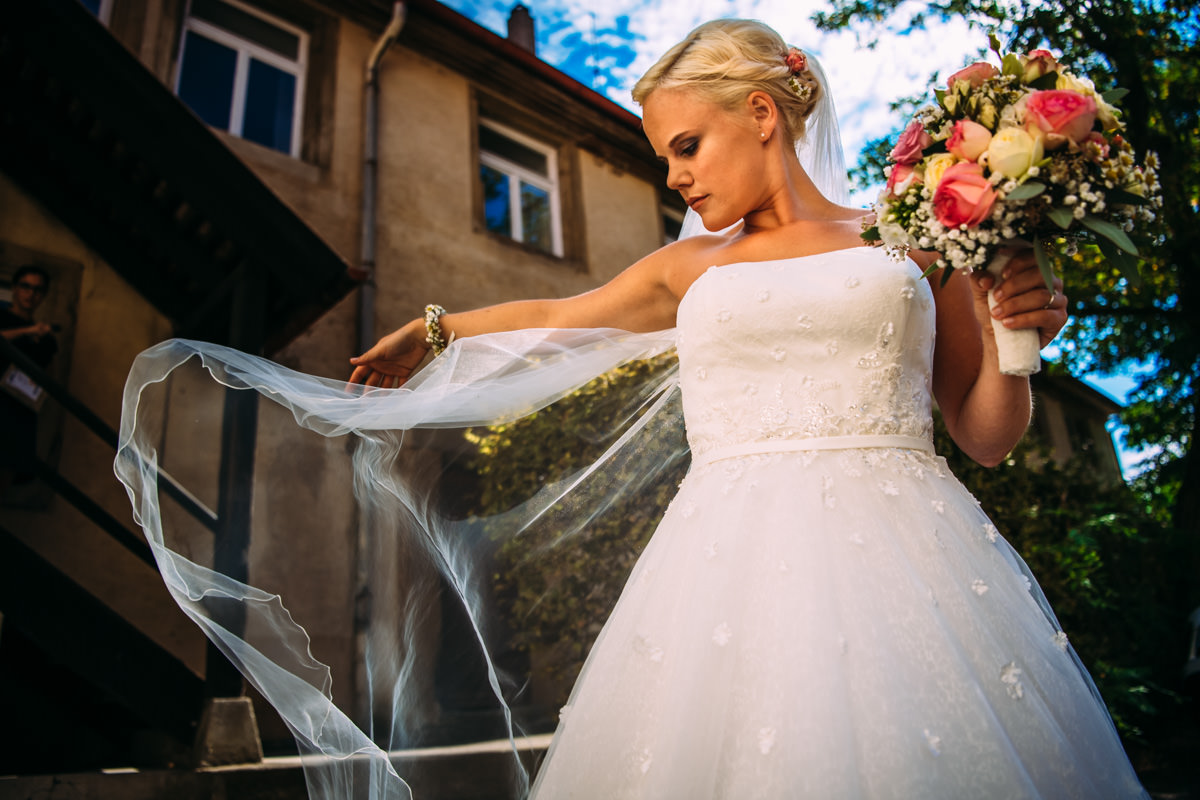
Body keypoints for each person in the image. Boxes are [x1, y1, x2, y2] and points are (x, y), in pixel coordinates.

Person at [116, 18, 1147, 799]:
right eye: (663, 156)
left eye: (687, 145)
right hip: (726, 568)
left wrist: (1019, 341)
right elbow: (560, 313)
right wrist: (438, 331)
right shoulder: (686, 266)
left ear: (763, 112)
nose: (675, 174)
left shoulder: (914, 235)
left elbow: (986, 433)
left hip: (919, 561)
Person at [2, 265, 57, 493]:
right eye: (25, 286)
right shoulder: (4, 317)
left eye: (37, 289)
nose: (30, 294)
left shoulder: (46, 339)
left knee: (8, 468)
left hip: (18, 409)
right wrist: (28, 331)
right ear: (15, 289)